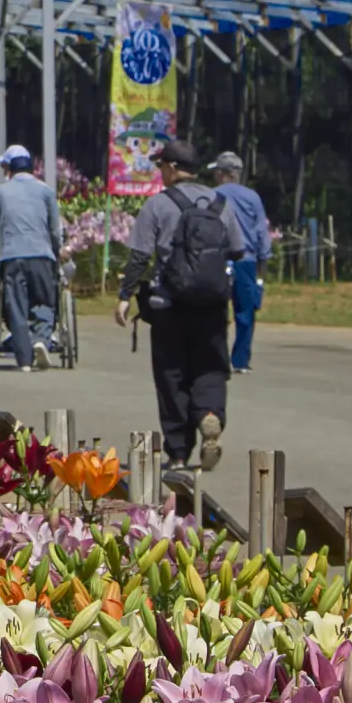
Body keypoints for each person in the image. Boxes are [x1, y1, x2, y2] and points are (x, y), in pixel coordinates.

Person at [115, 140, 246, 471]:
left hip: (168, 305)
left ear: (172, 168)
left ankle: (177, 452)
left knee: (171, 375)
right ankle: (210, 415)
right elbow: (237, 250)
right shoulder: (220, 203)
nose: (160, 172)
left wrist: (125, 296)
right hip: (212, 306)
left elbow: (140, 256)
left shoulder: (157, 205)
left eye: (161, 166)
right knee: (210, 368)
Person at [0, 144, 65, 371]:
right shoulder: (46, 191)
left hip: (11, 256)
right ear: (33, 170)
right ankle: (41, 338)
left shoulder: (0, 192)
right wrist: (57, 249)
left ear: (10, 170)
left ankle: (24, 360)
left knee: (16, 307)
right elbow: (54, 229)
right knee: (44, 300)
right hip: (41, 254)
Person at [209, 151, 271, 373]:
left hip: (218, 259)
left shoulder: (212, 195)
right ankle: (240, 361)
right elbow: (262, 231)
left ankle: (215, 357)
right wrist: (263, 263)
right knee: (245, 312)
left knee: (215, 310)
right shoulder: (252, 197)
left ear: (222, 173)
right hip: (246, 259)